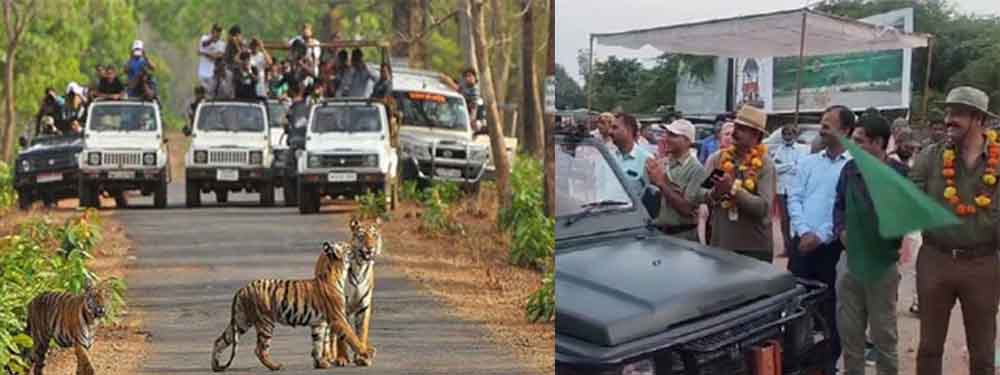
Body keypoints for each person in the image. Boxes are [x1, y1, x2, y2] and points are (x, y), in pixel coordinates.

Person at [910, 86, 999, 375]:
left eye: (958, 113)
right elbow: (909, 199)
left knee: (983, 354)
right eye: (947, 112)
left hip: (984, 264)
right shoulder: (929, 156)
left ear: (979, 120)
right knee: (929, 349)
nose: (949, 119)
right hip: (935, 260)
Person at [833, 114, 909, 375]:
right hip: (849, 263)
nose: (853, 146)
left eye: (859, 141)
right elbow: (839, 207)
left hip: (881, 265)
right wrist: (841, 230)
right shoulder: (849, 170)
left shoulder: (899, 174)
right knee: (850, 335)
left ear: (878, 142)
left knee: (884, 336)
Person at [787, 104, 856, 373]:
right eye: (821, 122)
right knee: (796, 307)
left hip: (832, 248)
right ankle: (796, 362)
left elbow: (845, 209)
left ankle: (827, 365)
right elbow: (794, 197)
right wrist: (804, 231)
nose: (821, 129)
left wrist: (822, 235)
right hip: (801, 245)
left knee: (830, 312)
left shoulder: (853, 167)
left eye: (827, 124)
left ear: (846, 130)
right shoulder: (808, 162)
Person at [698, 105, 775, 261]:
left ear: (756, 135)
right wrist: (716, 193)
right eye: (735, 126)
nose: (734, 131)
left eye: (742, 128)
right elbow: (700, 195)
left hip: (755, 248)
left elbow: (763, 208)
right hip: (722, 244)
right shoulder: (717, 159)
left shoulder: (765, 164)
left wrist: (733, 189)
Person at [644, 119, 705, 241]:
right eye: (666, 134)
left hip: (683, 236)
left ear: (687, 141)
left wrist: (662, 183)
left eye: (673, 135)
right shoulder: (661, 164)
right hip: (658, 234)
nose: (666, 138)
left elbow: (687, 209)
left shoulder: (696, 169)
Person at [771, 124, 809, 253]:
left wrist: (784, 166)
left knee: (796, 218)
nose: (787, 137)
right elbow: (774, 168)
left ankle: (796, 247)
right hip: (782, 189)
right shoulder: (779, 150)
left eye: (790, 134)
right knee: (784, 220)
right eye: (785, 134)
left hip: (796, 190)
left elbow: (800, 168)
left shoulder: (802, 149)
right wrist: (791, 165)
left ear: (795, 135)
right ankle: (786, 248)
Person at [696, 121, 735, 245]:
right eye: (726, 134)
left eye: (733, 134)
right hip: (717, 211)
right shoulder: (715, 158)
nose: (730, 137)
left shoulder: (746, 158)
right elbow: (705, 187)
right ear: (720, 138)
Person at [609, 112, 652, 191]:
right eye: (610, 128)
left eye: (615, 128)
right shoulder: (607, 157)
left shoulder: (647, 159)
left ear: (629, 130)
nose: (610, 132)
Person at [198, 24, 226, 90]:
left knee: (211, 93)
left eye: (219, 32)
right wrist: (212, 39)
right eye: (216, 32)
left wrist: (203, 53)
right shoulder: (204, 38)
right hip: (202, 72)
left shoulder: (221, 44)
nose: (218, 34)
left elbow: (215, 57)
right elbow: (204, 44)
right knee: (203, 92)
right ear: (212, 31)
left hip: (213, 74)